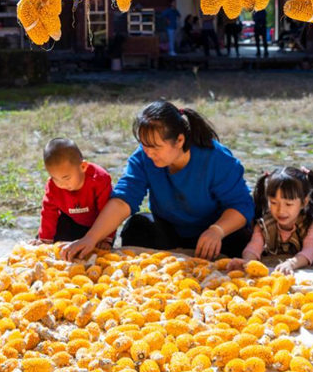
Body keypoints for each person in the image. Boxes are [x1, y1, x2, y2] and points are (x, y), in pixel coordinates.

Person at [63, 101, 254, 261]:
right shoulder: (144, 157)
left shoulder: (215, 158)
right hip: (170, 230)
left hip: (212, 233)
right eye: (144, 145)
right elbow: (123, 199)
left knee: (241, 240)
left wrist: (217, 230)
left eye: (155, 147)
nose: (148, 152)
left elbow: (241, 205)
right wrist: (90, 238)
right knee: (136, 227)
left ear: (179, 140)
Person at [227, 166, 313, 274]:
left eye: (288, 204)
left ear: (304, 202)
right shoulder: (265, 225)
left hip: (303, 261)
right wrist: (248, 261)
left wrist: (292, 263)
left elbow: (310, 250)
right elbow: (254, 247)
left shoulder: (310, 224)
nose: (281, 210)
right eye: (274, 203)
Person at [34, 138, 113, 248]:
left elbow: (109, 212)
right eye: (55, 178)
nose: (61, 184)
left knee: (99, 251)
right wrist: (45, 239)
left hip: (98, 225)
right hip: (71, 221)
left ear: (83, 167)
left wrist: (106, 238)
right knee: (53, 246)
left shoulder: (99, 180)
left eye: (66, 178)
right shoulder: (53, 186)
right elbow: (48, 213)